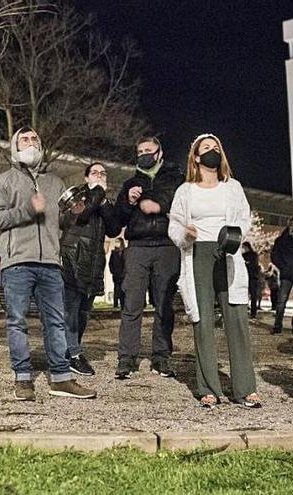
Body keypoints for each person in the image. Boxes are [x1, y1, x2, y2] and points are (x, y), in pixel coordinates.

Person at [0, 126, 96, 401]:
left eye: (35, 138)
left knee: (56, 322)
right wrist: (27, 210)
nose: (31, 142)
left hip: (50, 262)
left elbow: (61, 223)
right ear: (14, 147)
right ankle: (23, 378)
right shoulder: (3, 182)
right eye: (24, 139)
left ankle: (60, 377)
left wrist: (75, 214)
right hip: (17, 263)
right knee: (17, 322)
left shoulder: (55, 183)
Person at [168, 133, 261, 410]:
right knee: (203, 321)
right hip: (198, 254)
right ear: (196, 157)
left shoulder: (232, 188)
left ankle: (245, 388)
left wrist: (236, 235)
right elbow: (174, 225)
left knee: (236, 319)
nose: (212, 151)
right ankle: (208, 387)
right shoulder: (185, 191)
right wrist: (185, 233)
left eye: (216, 148)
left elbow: (244, 218)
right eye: (206, 148)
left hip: (228, 253)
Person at [114, 136, 185, 379]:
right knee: (132, 303)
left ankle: (161, 356)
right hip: (138, 246)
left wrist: (155, 202)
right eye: (140, 151)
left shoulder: (175, 176)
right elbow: (119, 219)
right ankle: (126, 357)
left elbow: (176, 200)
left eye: (149, 150)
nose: (144, 153)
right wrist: (128, 201)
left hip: (167, 245)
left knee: (164, 304)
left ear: (159, 152)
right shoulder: (130, 182)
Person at [61, 162, 121, 376]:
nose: (100, 176)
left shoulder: (103, 200)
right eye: (95, 172)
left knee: (84, 311)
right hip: (73, 258)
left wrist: (104, 202)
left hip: (94, 262)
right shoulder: (78, 195)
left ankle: (69, 352)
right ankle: (75, 354)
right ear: (86, 178)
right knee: (71, 309)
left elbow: (114, 230)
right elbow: (82, 215)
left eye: (103, 173)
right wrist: (97, 192)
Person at [241, 242, 262, 318]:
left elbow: (254, 265)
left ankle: (253, 312)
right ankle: (249, 311)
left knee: (253, 295)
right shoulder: (243, 255)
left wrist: (247, 264)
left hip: (252, 277)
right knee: (247, 294)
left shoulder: (252, 255)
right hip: (248, 276)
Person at [109, 238, 125, 309]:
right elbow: (110, 263)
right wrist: (113, 271)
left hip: (123, 274)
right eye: (116, 242)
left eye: (118, 242)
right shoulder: (114, 253)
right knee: (116, 289)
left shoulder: (124, 252)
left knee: (122, 289)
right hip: (116, 274)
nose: (116, 243)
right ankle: (115, 304)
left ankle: (122, 304)